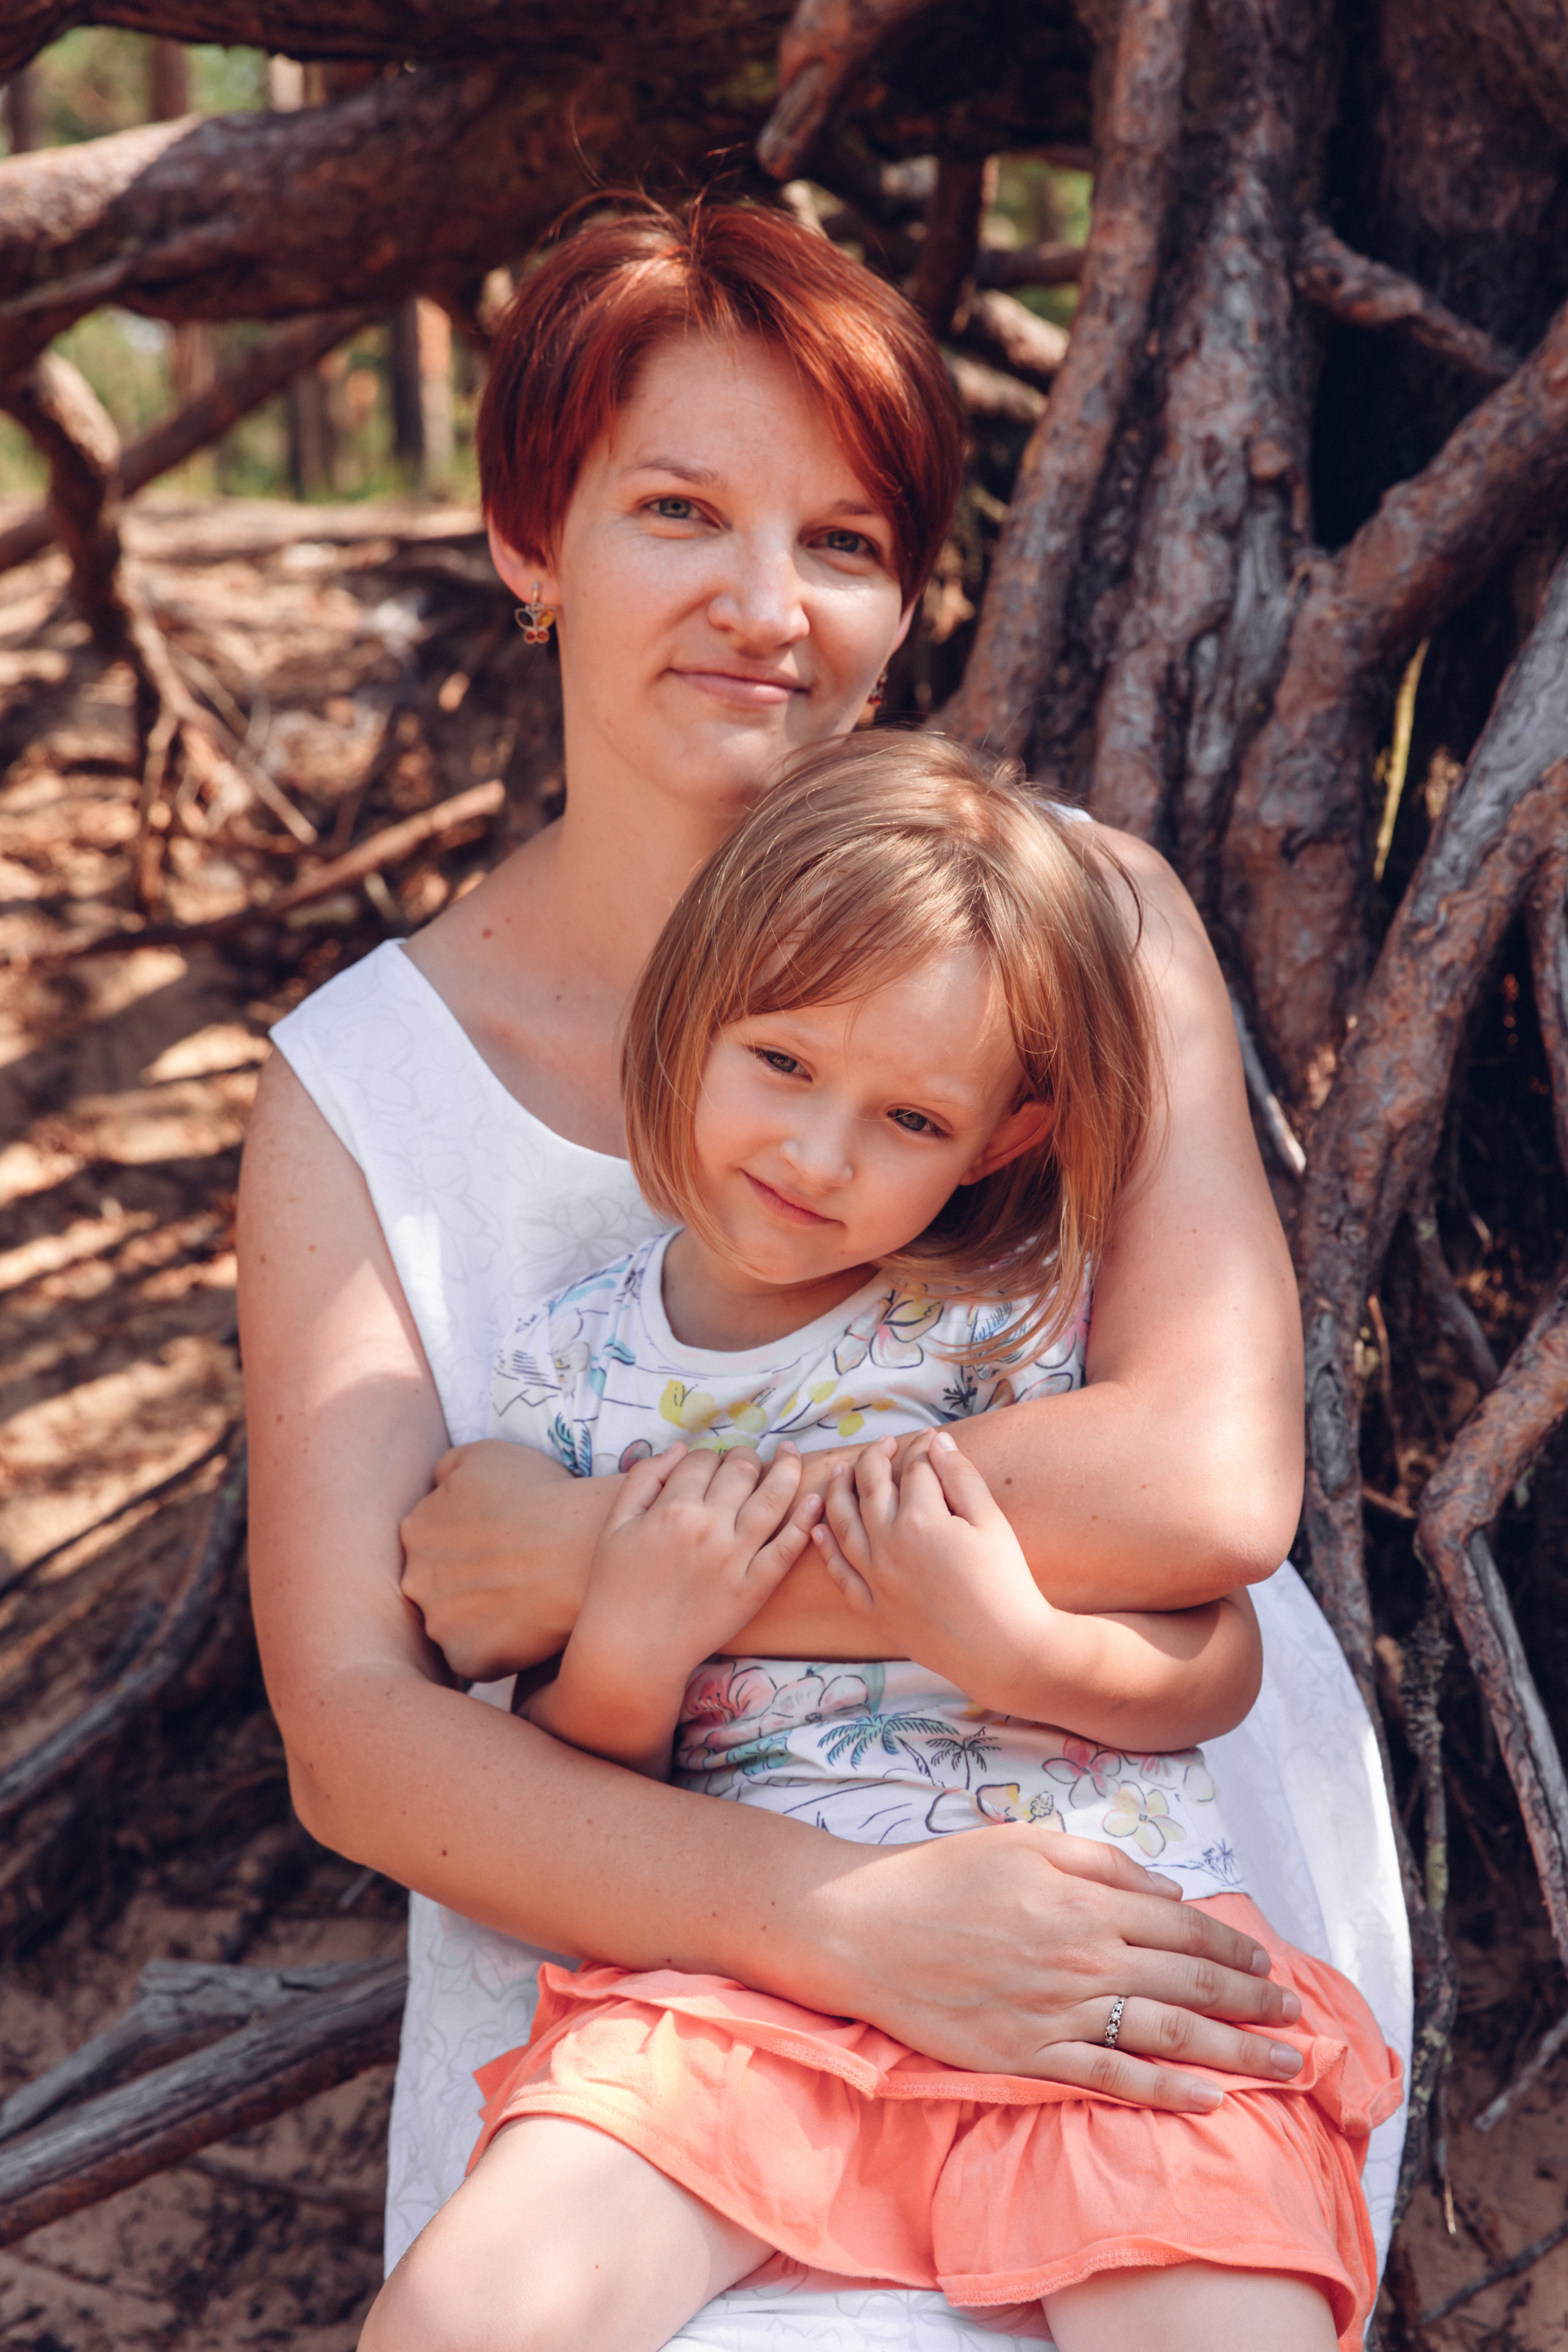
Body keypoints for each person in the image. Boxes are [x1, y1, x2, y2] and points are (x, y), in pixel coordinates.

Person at [239, 197, 1410, 2352]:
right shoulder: (360, 1094)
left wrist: (592, 1556)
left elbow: (1204, 1490)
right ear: (527, 539)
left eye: (845, 542)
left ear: (903, 599)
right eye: (678, 510)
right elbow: (369, 1747)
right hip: (658, 1947)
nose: (765, 606)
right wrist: (856, 1923)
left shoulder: (1088, 926)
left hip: (1114, 1866)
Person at [358, 740, 1400, 2352]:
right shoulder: (572, 1380)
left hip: (1090, 1974)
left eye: (906, 1115)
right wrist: (631, 1644)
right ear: (687, 1011)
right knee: (460, 2319)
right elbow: (567, 1791)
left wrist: (1017, 1648)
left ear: (995, 1142)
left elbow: (1219, 1658)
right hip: (743, 2008)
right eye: (781, 1062)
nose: (819, 1153)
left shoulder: (1030, 1335)